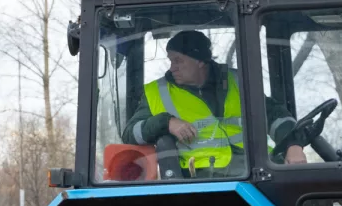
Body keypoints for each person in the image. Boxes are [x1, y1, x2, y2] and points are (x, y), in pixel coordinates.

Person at [121, 29, 307, 173]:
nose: (172, 68)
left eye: (178, 60)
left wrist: (293, 144)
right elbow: (130, 133)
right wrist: (166, 122)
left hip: (257, 168)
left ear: (200, 61)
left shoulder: (238, 81)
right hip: (203, 179)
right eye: (171, 60)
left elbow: (275, 115)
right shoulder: (157, 92)